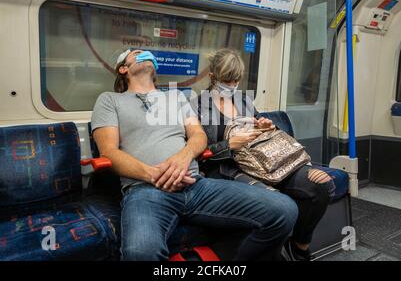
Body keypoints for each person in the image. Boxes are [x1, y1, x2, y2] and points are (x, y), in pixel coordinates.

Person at [91, 48, 298, 261]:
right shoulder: (110, 100)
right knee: (141, 253)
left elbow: (199, 136)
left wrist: (183, 157)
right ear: (124, 68)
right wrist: (155, 175)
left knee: (285, 210)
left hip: (196, 184)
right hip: (146, 190)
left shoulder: (176, 97)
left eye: (147, 53)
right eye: (136, 53)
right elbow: (109, 152)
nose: (145, 54)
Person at [192, 48, 336, 261]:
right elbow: (198, 155)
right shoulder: (197, 107)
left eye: (236, 81)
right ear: (213, 77)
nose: (232, 86)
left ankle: (298, 247)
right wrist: (229, 144)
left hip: (262, 161)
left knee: (321, 186)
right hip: (227, 168)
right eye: (227, 81)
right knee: (274, 203)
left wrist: (265, 124)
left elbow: (262, 129)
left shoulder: (243, 100)